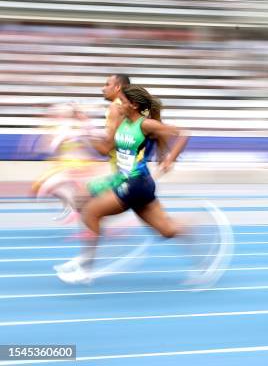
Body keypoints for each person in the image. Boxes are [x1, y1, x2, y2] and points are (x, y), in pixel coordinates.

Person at [56, 85, 188, 284]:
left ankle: (84, 269)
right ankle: (193, 228)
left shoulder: (146, 125)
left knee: (91, 212)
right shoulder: (122, 123)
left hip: (137, 183)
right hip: (122, 179)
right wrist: (85, 125)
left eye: (122, 102)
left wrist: (171, 159)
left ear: (133, 105)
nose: (119, 105)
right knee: (166, 231)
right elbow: (104, 148)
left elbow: (183, 134)